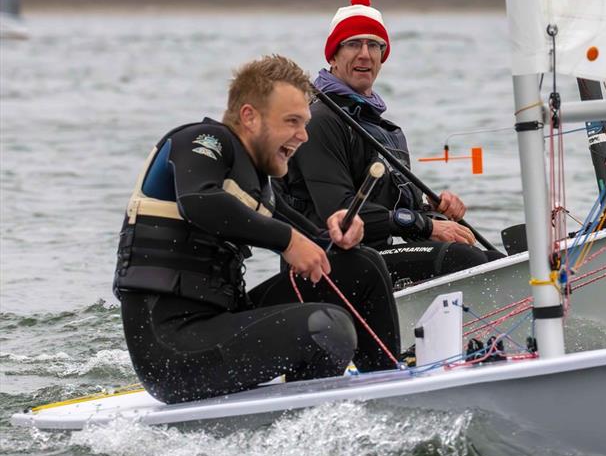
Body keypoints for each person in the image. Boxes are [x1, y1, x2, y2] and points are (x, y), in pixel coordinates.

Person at [113, 55, 400, 404]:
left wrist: (342, 232)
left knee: (360, 265)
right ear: (249, 117)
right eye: (292, 121)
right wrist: (288, 240)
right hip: (171, 351)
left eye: (305, 122)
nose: (303, 136)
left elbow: (318, 244)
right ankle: (307, 433)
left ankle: (392, 387)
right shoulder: (200, 140)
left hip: (222, 323)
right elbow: (200, 202)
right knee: (328, 328)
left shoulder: (259, 187)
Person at [282, 0, 503, 290]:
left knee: (489, 257)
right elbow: (339, 212)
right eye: (353, 44)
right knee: (463, 260)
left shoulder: (387, 131)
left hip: (375, 255)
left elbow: (397, 216)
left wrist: (434, 211)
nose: (365, 54)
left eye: (374, 45)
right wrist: (429, 226)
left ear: (382, 58)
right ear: (333, 55)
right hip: (327, 267)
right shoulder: (320, 121)